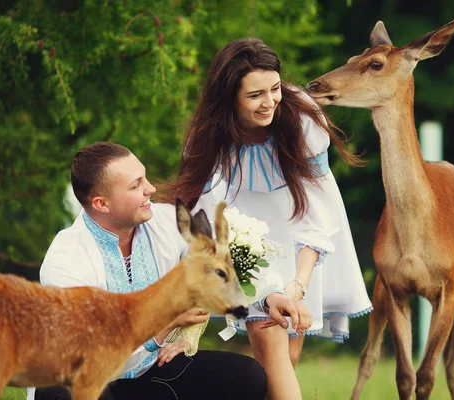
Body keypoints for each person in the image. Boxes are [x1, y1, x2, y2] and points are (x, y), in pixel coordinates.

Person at [159, 38, 373, 400]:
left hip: (300, 231)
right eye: (255, 94)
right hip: (241, 236)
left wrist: (296, 286)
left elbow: (317, 214)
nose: (270, 100)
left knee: (284, 358)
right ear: (229, 98)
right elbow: (211, 215)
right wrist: (255, 281)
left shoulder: (302, 118)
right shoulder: (206, 136)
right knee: (269, 337)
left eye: (274, 88)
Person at [33, 142, 268, 400]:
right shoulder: (67, 261)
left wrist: (271, 296)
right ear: (102, 203)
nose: (151, 189)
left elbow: (225, 263)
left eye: (144, 178)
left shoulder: (166, 222)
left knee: (245, 376)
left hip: (151, 372)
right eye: (136, 185)